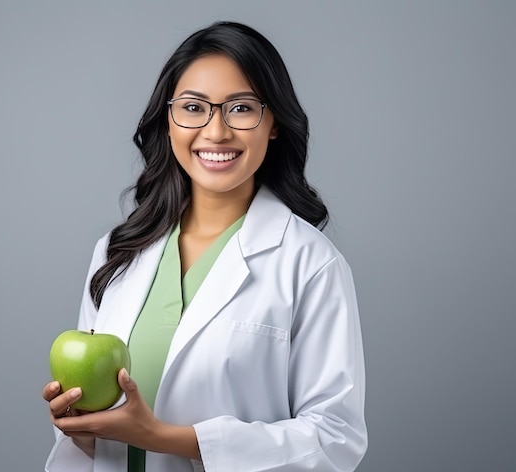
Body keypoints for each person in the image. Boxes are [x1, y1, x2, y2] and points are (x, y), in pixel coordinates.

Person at [43, 21, 367, 472]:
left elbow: (335, 439)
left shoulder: (310, 263)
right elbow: (99, 437)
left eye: (240, 108)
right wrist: (79, 423)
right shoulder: (118, 252)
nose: (215, 132)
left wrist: (167, 438)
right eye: (194, 108)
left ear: (273, 123)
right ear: (168, 121)